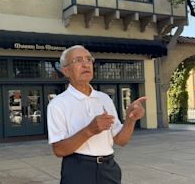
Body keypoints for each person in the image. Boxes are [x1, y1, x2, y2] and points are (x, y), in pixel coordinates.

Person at [47, 45, 146, 184]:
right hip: (78, 169)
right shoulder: (58, 104)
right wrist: (90, 130)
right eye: (78, 60)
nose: (86, 64)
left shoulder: (104, 98)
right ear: (66, 71)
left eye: (88, 59)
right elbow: (59, 150)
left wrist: (131, 119)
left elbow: (120, 140)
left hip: (108, 168)